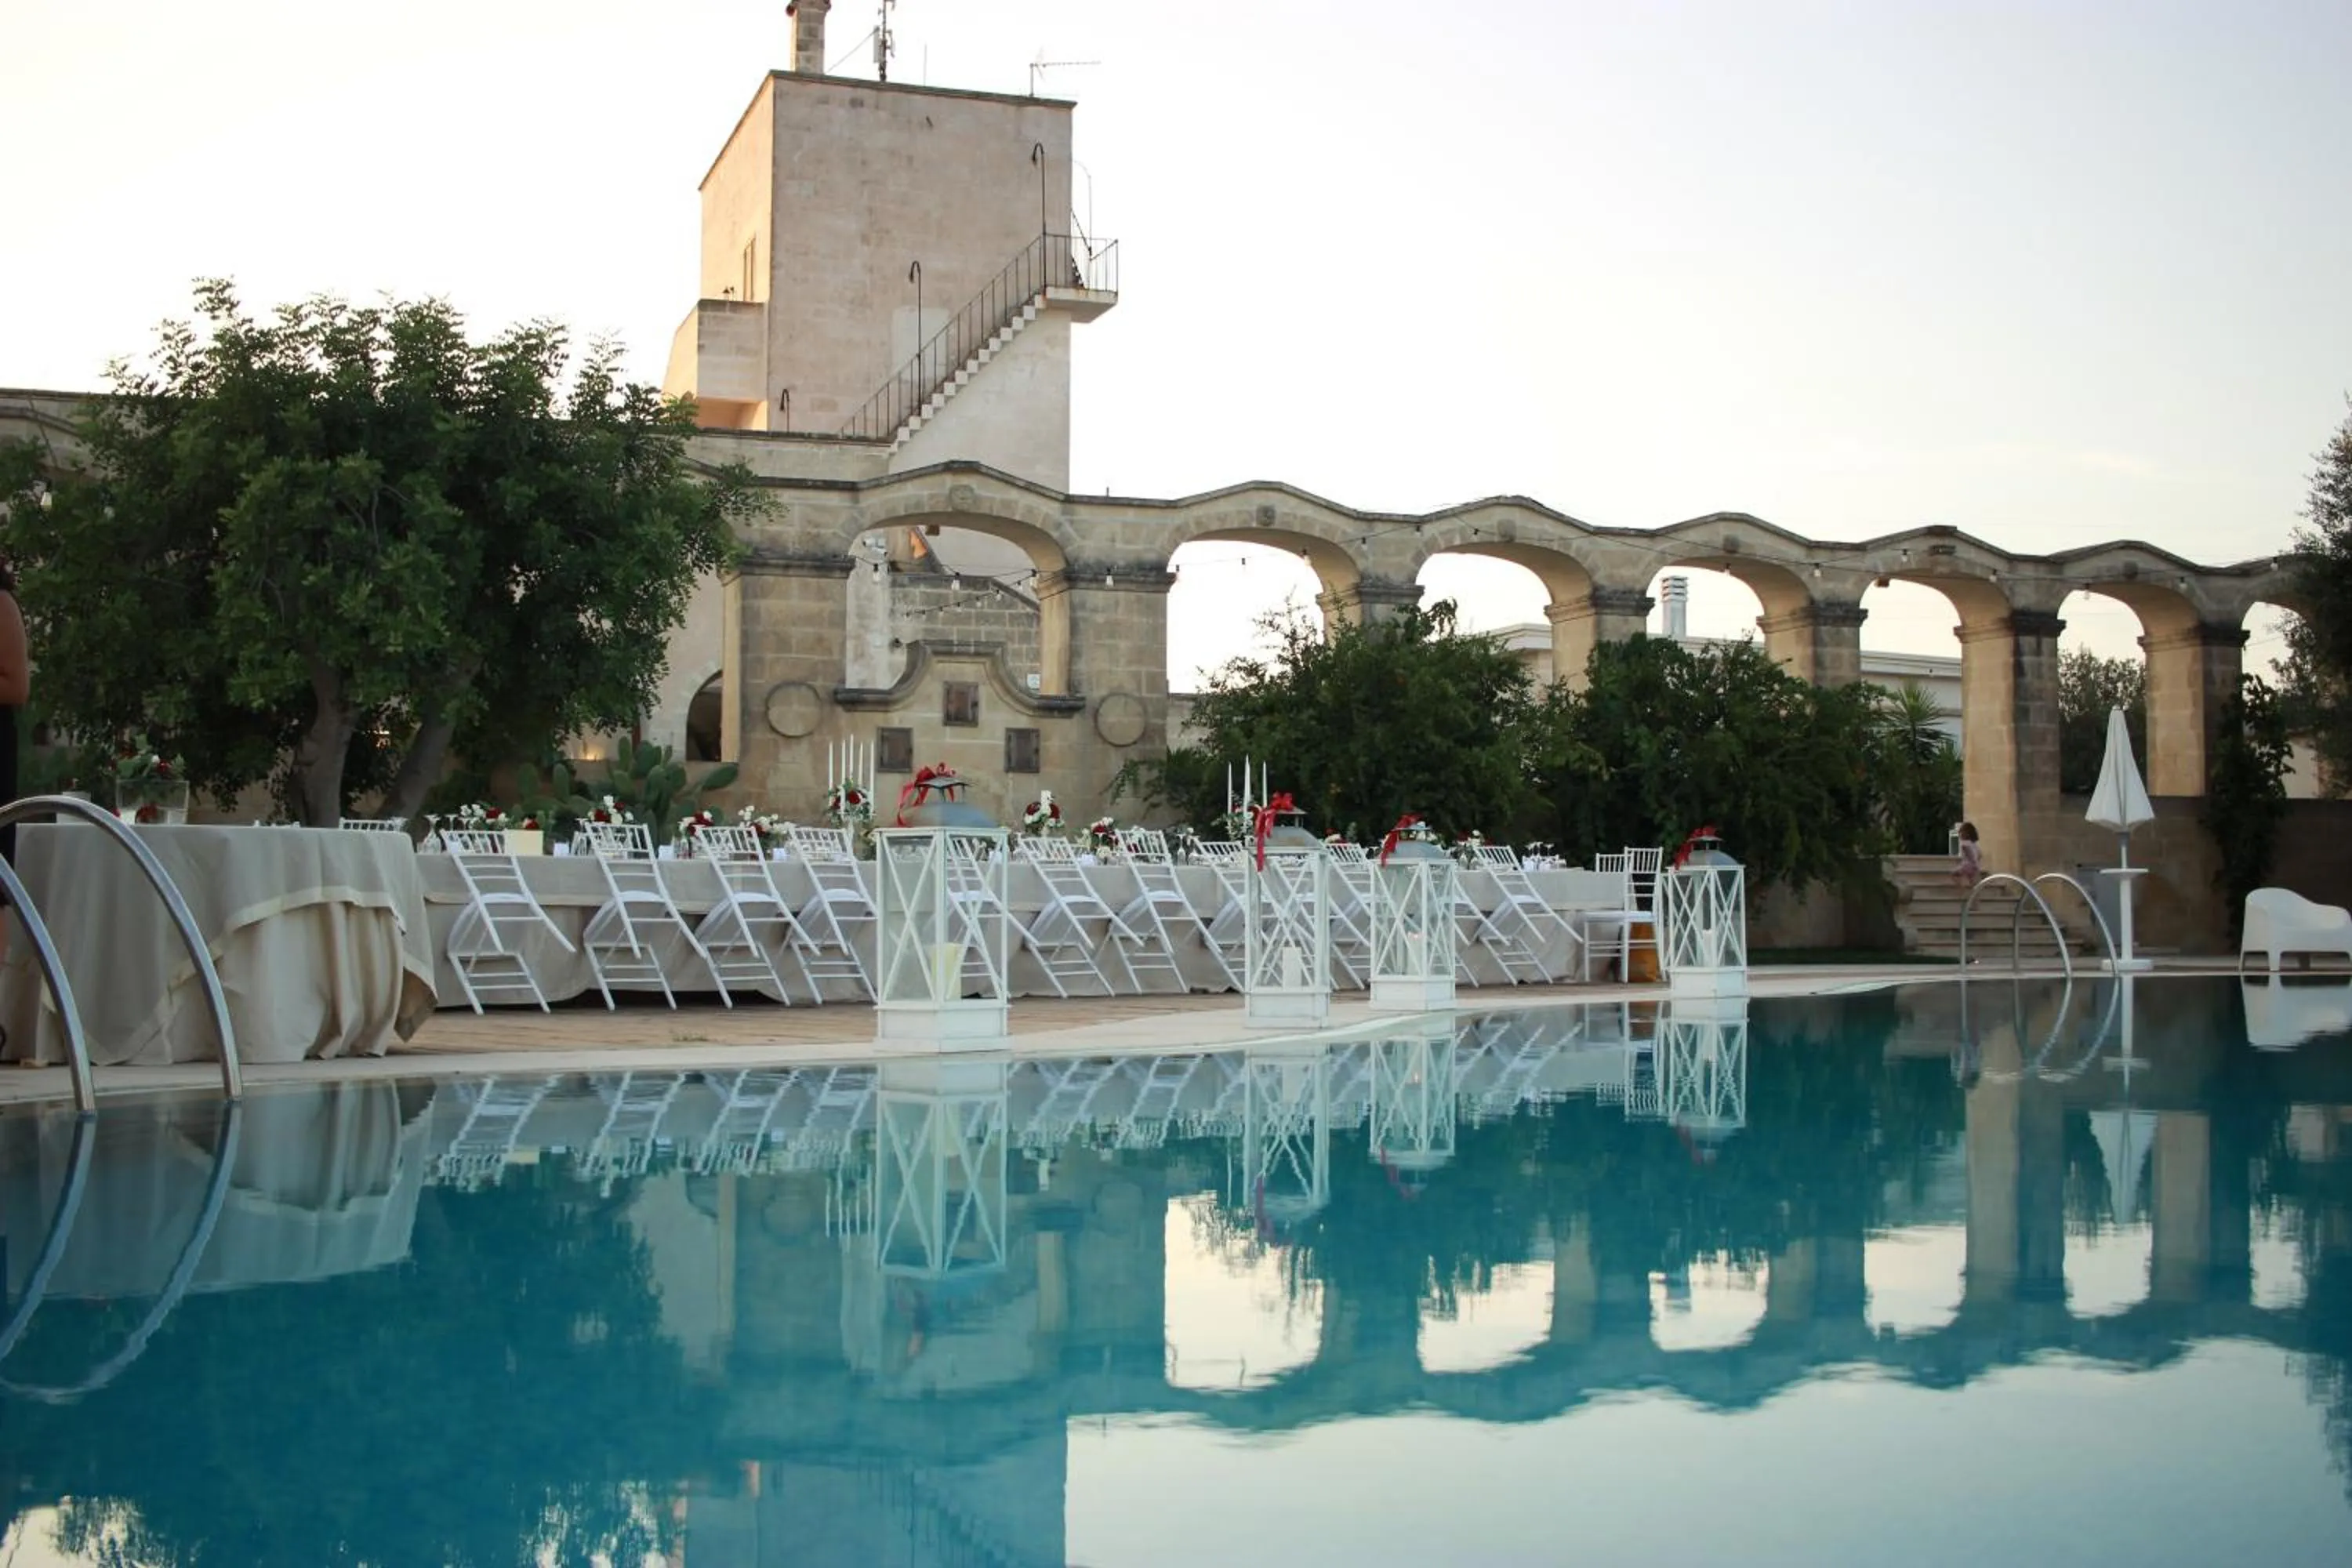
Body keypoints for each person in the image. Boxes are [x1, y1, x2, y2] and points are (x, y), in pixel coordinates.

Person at [1951, 821, 1983, 888]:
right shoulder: (1974, 844)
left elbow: (1970, 854)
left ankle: (1964, 889)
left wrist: (1973, 862)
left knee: (1954, 874)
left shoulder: (1964, 844)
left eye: (1960, 833)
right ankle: (1972, 893)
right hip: (1975, 867)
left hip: (1968, 865)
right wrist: (1976, 864)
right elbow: (1980, 855)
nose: (1959, 835)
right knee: (1972, 882)